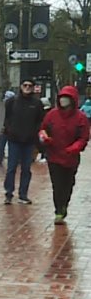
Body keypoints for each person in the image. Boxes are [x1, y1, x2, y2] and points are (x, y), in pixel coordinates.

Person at [39, 86, 90, 224]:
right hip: (54, 155)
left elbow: (84, 137)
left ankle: (64, 204)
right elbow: (43, 129)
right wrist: (45, 138)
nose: (63, 101)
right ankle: (58, 211)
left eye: (66, 98)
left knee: (68, 184)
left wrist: (75, 147)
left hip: (71, 158)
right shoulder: (51, 115)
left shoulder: (81, 118)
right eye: (61, 98)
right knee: (57, 184)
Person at [3, 79, 44, 205]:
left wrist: (35, 133)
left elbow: (40, 120)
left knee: (26, 169)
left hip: (29, 141)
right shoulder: (11, 102)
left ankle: (23, 194)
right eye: (25, 85)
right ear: (21, 86)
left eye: (30, 86)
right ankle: (9, 193)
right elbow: (5, 117)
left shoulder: (37, 104)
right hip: (14, 140)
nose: (27, 87)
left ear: (33, 88)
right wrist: (8, 130)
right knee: (11, 168)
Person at [0, 89, 16, 165]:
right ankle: (0, 159)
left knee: (12, 147)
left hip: (11, 131)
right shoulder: (1, 107)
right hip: (4, 130)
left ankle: (13, 160)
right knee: (1, 146)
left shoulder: (15, 108)